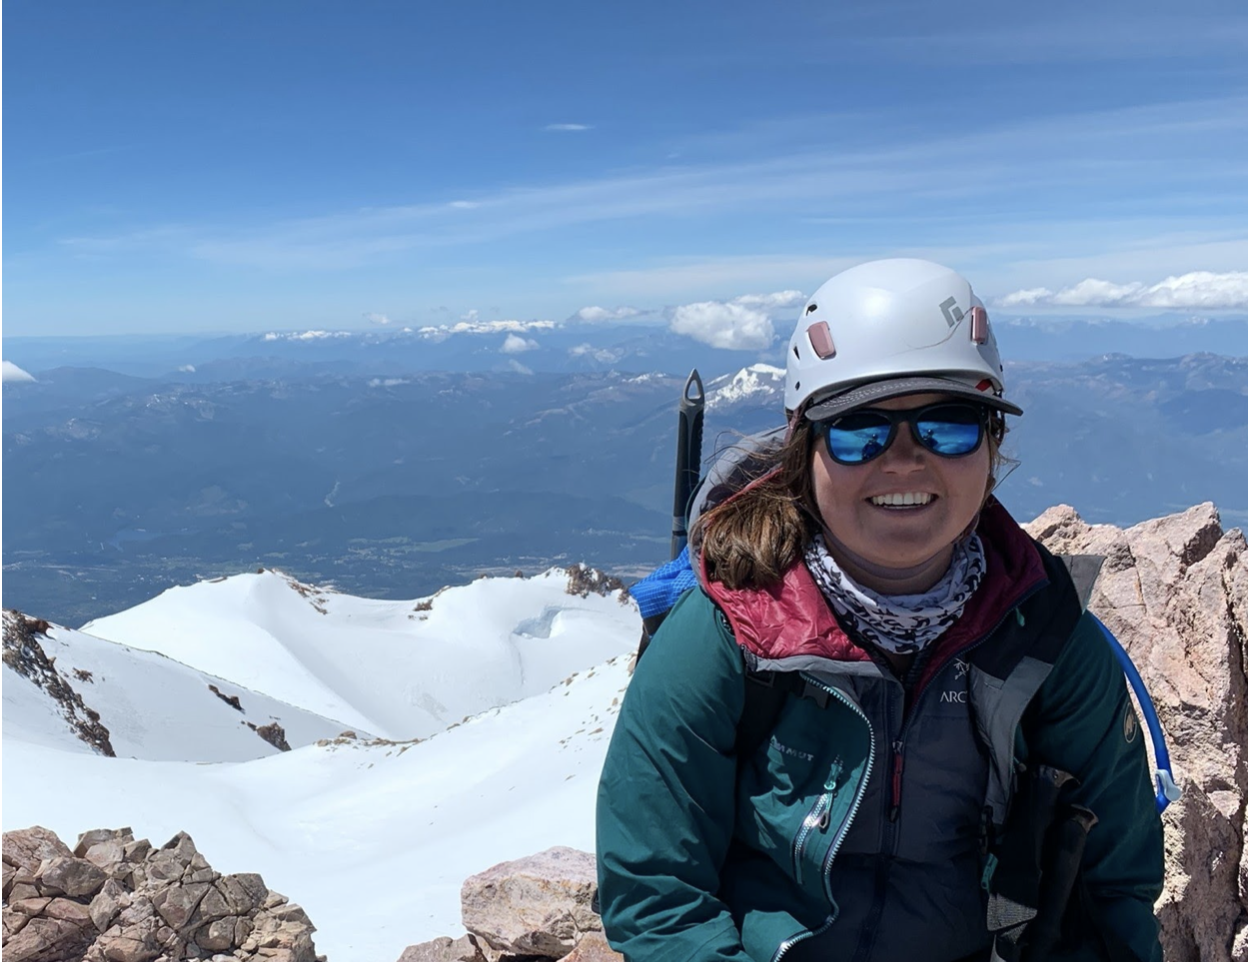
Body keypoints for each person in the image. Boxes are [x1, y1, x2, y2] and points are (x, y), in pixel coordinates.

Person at [595, 259, 1164, 962]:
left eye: (949, 426)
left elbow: (1112, 887)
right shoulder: (728, 631)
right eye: (859, 430)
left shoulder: (1043, 635)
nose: (903, 460)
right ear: (805, 451)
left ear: (993, 446)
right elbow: (658, 895)